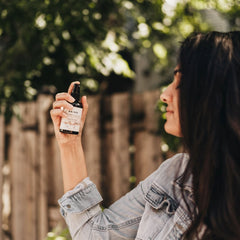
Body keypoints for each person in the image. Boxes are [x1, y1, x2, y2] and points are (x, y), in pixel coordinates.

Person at [50, 31, 240, 239]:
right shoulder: (175, 175)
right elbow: (94, 234)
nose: (164, 95)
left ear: (217, 96)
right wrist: (70, 144)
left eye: (181, 83)